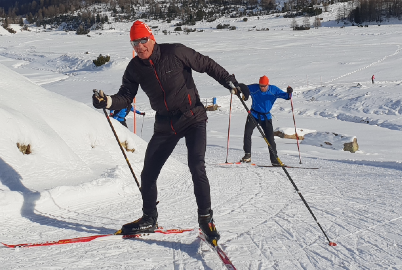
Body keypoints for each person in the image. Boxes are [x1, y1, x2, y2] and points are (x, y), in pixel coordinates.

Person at [92, 20, 249, 244]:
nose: (140, 47)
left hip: (193, 116)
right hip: (165, 125)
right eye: (134, 43)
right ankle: (149, 218)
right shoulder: (134, 68)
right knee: (148, 174)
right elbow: (126, 96)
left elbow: (206, 64)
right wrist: (107, 101)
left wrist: (230, 82)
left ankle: (206, 220)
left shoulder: (175, 52)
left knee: (196, 165)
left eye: (143, 40)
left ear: (151, 37)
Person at [240, 76, 293, 166]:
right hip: (253, 115)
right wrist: (237, 85)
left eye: (264, 86)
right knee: (247, 134)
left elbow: (287, 97)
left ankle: (274, 160)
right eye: (260, 86)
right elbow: (243, 88)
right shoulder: (254, 88)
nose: (262, 88)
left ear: (268, 84)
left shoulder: (273, 90)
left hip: (266, 117)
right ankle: (247, 156)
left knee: (270, 139)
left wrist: (289, 92)